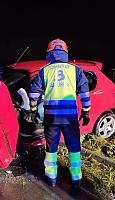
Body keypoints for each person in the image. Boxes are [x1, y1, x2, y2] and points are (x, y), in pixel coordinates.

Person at [28, 38, 91, 188]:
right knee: (74, 148)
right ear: (65, 52)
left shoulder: (44, 70)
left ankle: (51, 178)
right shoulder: (75, 70)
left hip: (52, 117)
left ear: (49, 53)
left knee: (51, 148)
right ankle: (76, 179)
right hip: (70, 118)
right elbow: (84, 92)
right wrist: (86, 112)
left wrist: (34, 110)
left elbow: (33, 93)